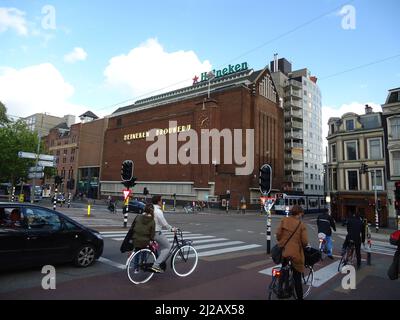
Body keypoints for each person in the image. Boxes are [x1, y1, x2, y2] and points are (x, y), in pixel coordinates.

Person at [276, 205, 309, 300]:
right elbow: (305, 241)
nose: (301, 216)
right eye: (301, 214)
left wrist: (281, 241)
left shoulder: (284, 220)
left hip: (284, 250)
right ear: (299, 214)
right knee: (297, 276)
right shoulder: (301, 225)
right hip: (295, 253)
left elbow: (278, 234)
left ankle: (280, 290)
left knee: (284, 269)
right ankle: (299, 298)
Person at [150, 195, 176, 273]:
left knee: (160, 247)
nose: (162, 202)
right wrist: (172, 229)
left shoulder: (150, 208)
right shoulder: (158, 211)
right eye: (161, 200)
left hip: (149, 232)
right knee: (168, 247)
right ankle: (156, 265)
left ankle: (158, 260)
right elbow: (164, 223)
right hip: (156, 233)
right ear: (158, 201)